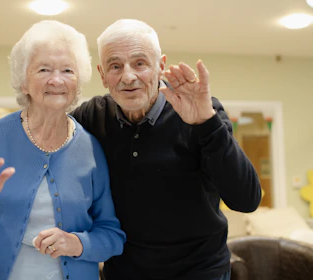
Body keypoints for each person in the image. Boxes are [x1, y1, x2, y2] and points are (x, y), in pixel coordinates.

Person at [0, 20, 126, 280]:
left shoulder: (90, 148)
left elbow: (112, 235)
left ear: (77, 83)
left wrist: (76, 243)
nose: (56, 79)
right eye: (44, 69)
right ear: (24, 83)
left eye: (68, 70)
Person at [71, 19, 262, 280]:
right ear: (103, 75)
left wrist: (207, 124)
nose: (128, 76)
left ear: (160, 66)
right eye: (115, 66)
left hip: (200, 272)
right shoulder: (92, 116)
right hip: (123, 273)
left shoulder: (201, 110)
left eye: (140, 63)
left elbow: (246, 200)